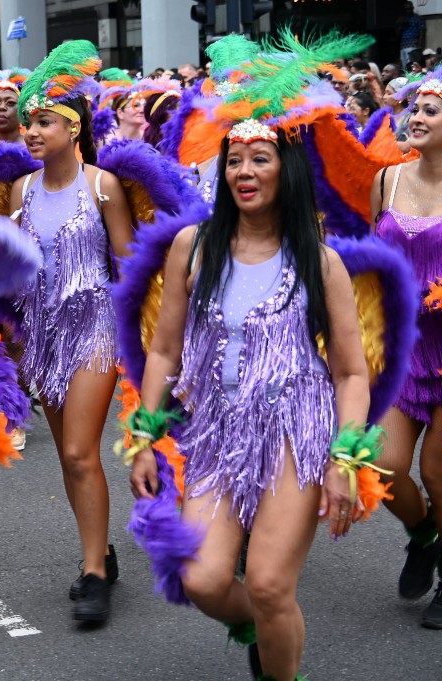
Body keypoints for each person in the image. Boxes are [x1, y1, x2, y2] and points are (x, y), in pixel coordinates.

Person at [128, 62, 372, 681]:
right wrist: (144, 436)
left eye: (260, 159)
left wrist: (346, 461)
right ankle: (266, 633)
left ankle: (277, 658)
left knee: (267, 583)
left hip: (297, 434)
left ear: (286, 171)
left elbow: (350, 372)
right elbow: (163, 351)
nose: (244, 173)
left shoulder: (320, 262)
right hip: (216, 435)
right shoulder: (196, 247)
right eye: (236, 160)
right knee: (202, 579)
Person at [0, 40, 134, 623]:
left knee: (81, 450)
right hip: (42, 335)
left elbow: (131, 266)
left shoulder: (103, 186)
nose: (31, 130)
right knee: (68, 456)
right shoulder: (23, 191)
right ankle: (97, 549)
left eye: (44, 121)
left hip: (96, 329)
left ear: (74, 129)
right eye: (27, 120)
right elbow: (12, 265)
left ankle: (96, 575)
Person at [370, 73, 442, 629]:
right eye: (414, 108)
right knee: (385, 465)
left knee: (439, 474)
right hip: (402, 348)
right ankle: (424, 535)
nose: (416, 117)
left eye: (431, 112)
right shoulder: (387, 180)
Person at [384, 76, 412, 152]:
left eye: (389, 93)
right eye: (385, 93)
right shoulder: (384, 117)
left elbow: (408, 147)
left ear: (401, 96)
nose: (384, 97)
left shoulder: (411, 117)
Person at [400, 2, 427, 68]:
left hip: (413, 45)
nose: (408, 10)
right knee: (404, 65)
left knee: (411, 64)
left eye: (409, 9)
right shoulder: (402, 19)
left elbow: (422, 32)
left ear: (412, 8)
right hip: (403, 45)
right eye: (406, 9)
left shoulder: (418, 18)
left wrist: (420, 46)